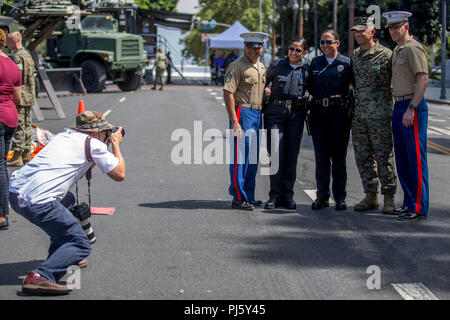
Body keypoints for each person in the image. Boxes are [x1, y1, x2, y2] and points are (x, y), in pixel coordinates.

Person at [9, 110, 125, 295]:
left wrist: (105, 145)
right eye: (105, 132)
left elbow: (86, 162)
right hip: (39, 202)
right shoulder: (94, 144)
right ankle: (41, 276)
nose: (107, 136)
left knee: (68, 201)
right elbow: (119, 174)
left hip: (16, 194)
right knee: (80, 243)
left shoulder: (63, 136)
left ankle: (59, 255)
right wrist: (116, 145)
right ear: (95, 133)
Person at [383, 11, 430, 221]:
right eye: (390, 28)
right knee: (402, 160)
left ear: (406, 26)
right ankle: (409, 202)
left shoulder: (413, 48)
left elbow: (423, 78)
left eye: (396, 27)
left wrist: (412, 107)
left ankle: (419, 206)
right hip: (399, 105)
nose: (393, 31)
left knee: (416, 160)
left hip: (412, 106)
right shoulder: (397, 50)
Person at [350, 17, 397, 214]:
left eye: (362, 31)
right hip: (359, 116)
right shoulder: (355, 56)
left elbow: (396, 82)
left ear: (372, 32)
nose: (358, 34)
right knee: (363, 157)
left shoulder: (386, 55)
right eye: (355, 31)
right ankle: (370, 195)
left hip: (380, 116)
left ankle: (389, 197)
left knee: (384, 157)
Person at [306, 29, 353, 211]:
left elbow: (354, 86)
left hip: (339, 116)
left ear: (337, 44)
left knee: (339, 159)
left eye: (329, 42)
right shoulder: (315, 63)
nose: (325, 45)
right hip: (319, 115)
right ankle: (322, 197)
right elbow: (308, 86)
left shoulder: (346, 63)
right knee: (322, 159)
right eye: (322, 42)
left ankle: (340, 198)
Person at [223, 32, 269, 210]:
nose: (253, 50)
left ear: (262, 48)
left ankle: (249, 195)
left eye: (257, 47)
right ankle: (238, 196)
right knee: (240, 156)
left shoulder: (261, 66)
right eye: (250, 47)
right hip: (242, 112)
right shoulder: (236, 66)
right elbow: (228, 93)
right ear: (245, 47)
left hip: (257, 113)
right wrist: (234, 121)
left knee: (252, 157)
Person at [263, 37, 310, 210]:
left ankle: (287, 196)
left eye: (298, 50)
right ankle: (274, 196)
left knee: (291, 156)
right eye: (291, 48)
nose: (293, 52)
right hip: (275, 114)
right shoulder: (277, 65)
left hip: (295, 117)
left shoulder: (307, 70)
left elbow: (315, 90)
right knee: (275, 155)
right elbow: (261, 84)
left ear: (304, 53)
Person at [0, 29, 21, 231]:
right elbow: (18, 98)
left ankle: (1, 214)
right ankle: (3, 210)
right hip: (10, 117)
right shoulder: (12, 65)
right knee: (2, 164)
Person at [6, 31, 36, 167]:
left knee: (19, 126)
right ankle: (26, 154)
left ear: (14, 41)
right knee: (27, 125)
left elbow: (17, 78)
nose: (7, 44)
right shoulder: (28, 55)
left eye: (8, 41)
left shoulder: (17, 57)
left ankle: (17, 155)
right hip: (29, 95)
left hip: (21, 96)